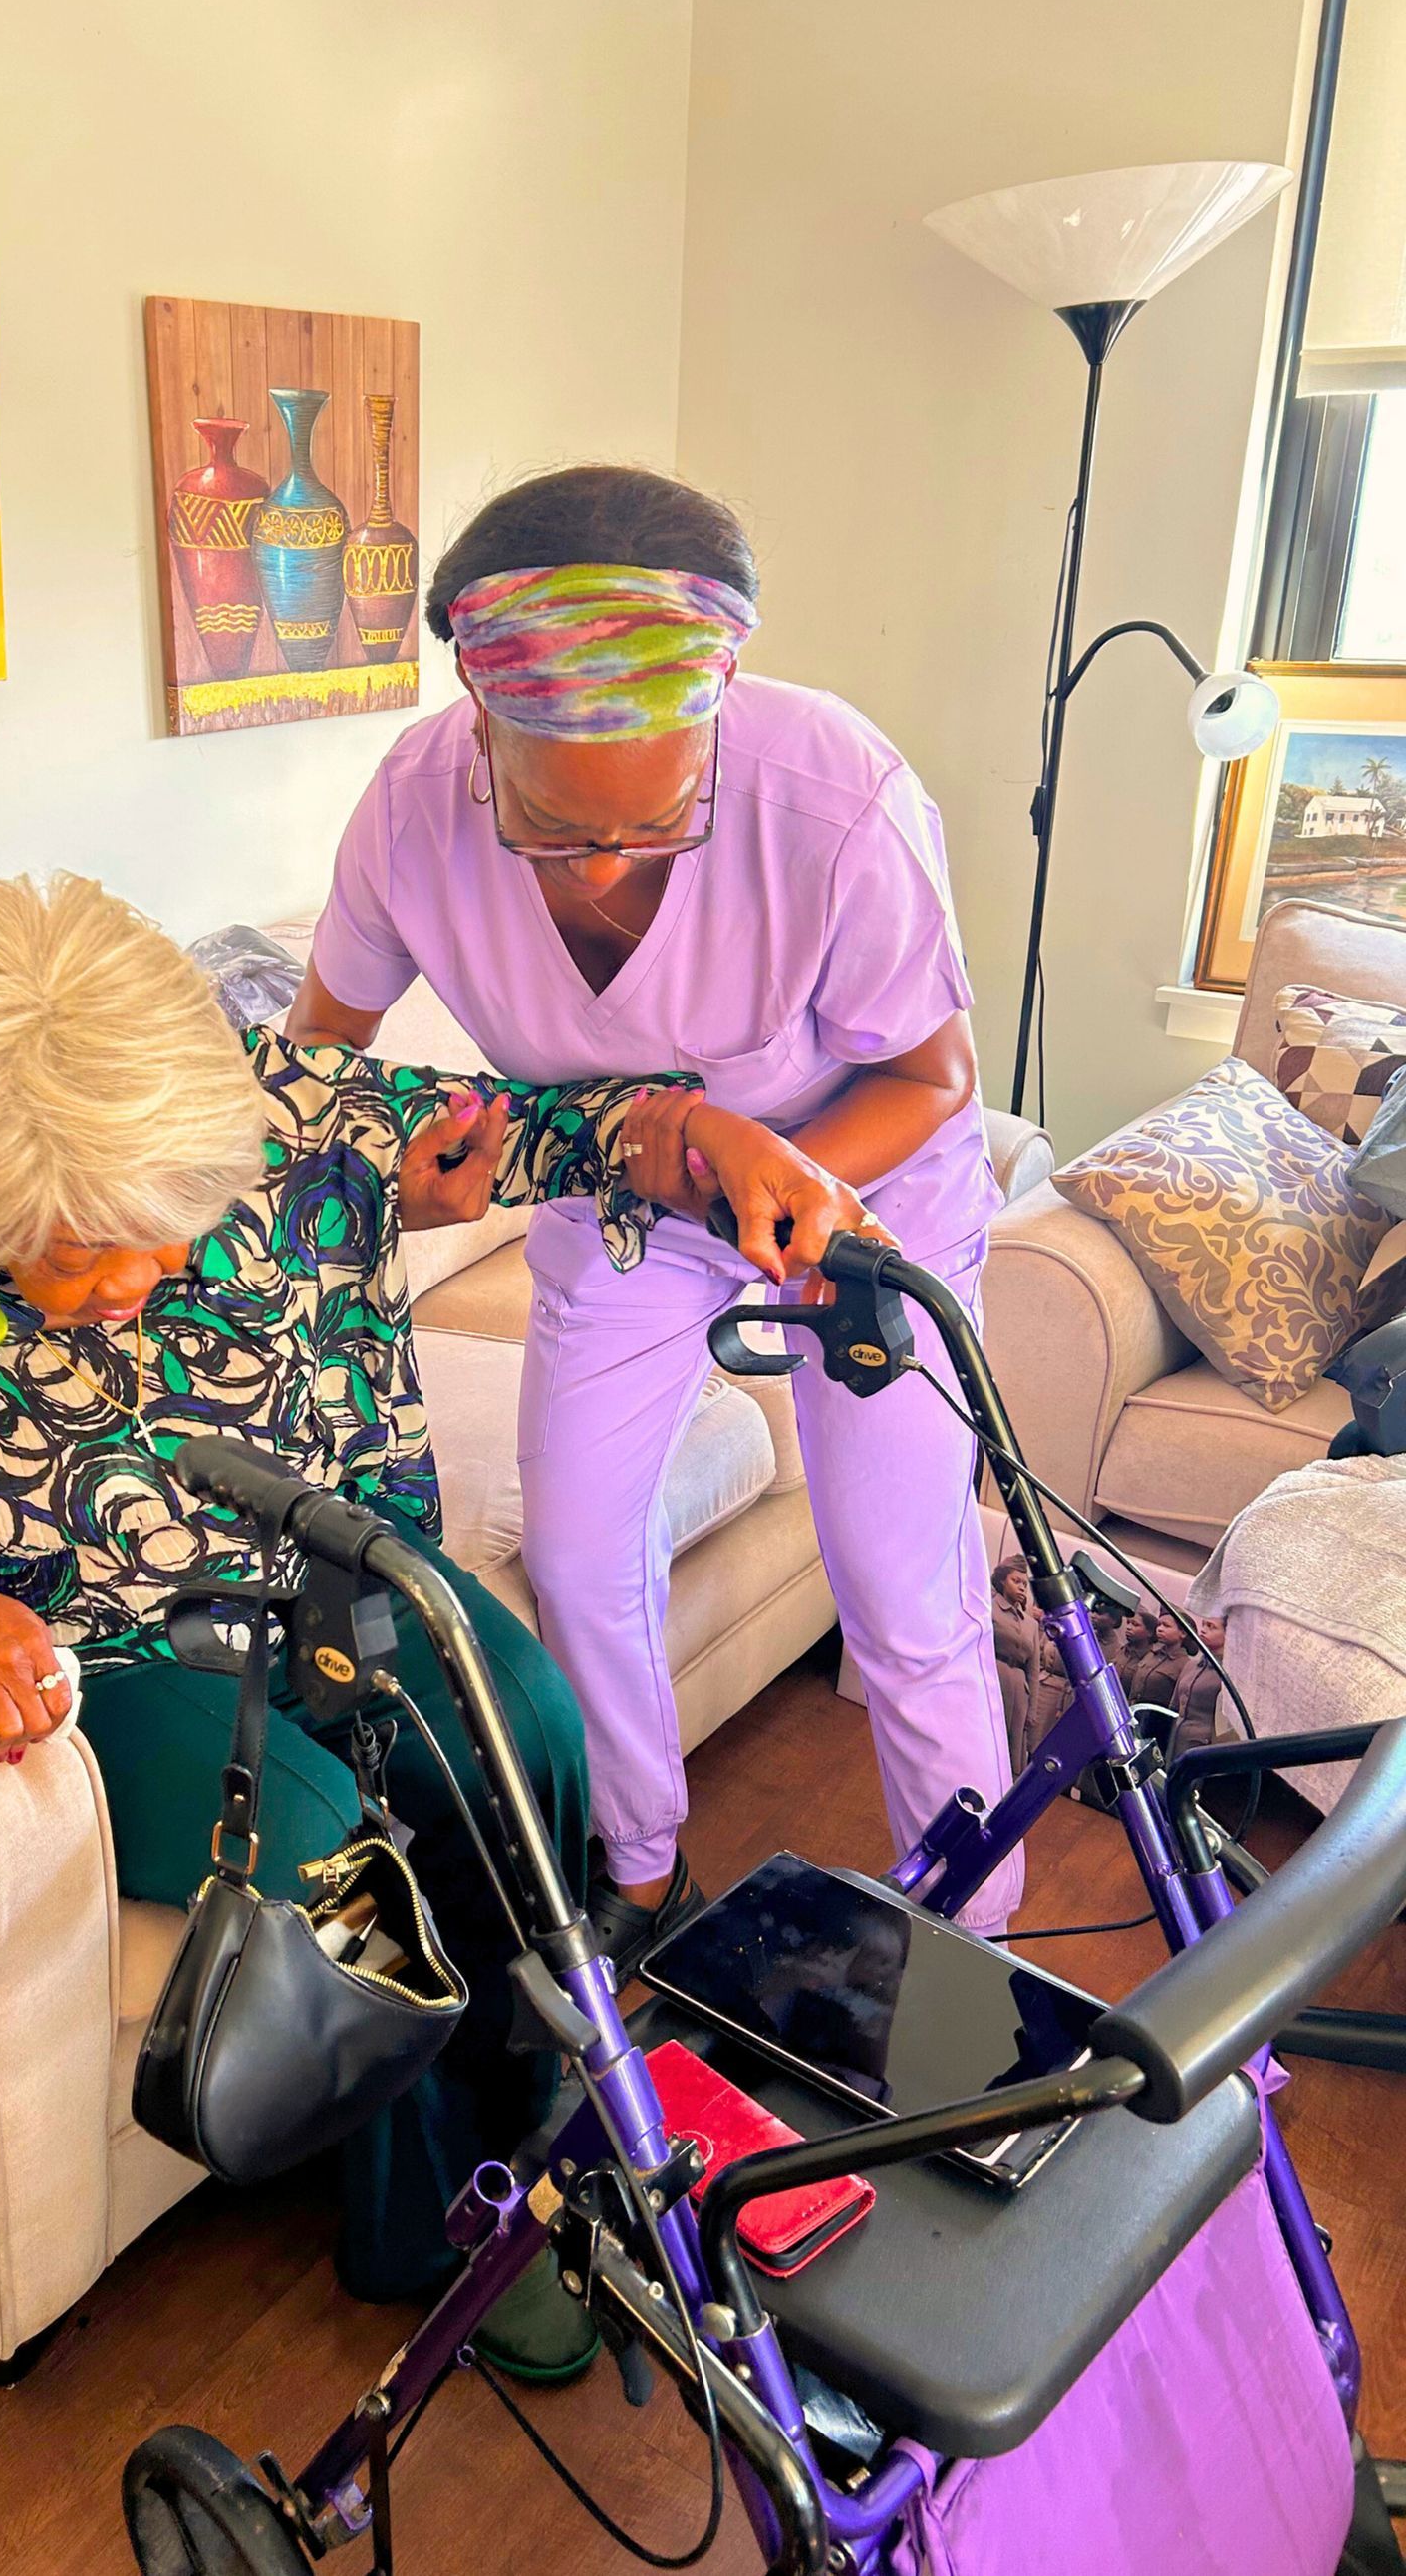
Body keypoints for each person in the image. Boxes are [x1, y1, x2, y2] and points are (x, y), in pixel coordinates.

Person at [0, 872, 855, 2371]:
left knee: (524, 1718)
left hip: (337, 1559)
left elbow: (567, 1127)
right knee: (328, 1842)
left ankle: (527, 2095)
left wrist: (700, 1134)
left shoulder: (293, 1111)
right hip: (120, 1644)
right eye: (68, 1249)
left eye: (157, 1228)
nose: (125, 1281)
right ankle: (434, 2230)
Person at [290, 464, 1022, 1972]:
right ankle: (633, 1868)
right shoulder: (410, 815)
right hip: (619, 1216)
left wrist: (803, 1183)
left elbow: (935, 1070)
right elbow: (317, 1065)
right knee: (574, 1548)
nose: (609, 866)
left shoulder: (837, 793)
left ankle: (970, 1943)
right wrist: (393, 1176)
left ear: (725, 704)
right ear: (476, 728)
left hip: (861, 1197)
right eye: (554, 826)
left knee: (902, 1584)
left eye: (660, 820)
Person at [989, 1555, 1068, 1771]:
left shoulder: (1031, 1625)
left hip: (1018, 1692)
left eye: (1025, 1584)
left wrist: (1031, 1709)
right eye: (1016, 1582)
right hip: (992, 1679)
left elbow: (1033, 1670)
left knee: (1011, 1750)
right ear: (1002, 1581)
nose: (1022, 1588)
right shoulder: (989, 1610)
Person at [1172, 1618, 1229, 1751]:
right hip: (1177, 1740)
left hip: (1205, 1747)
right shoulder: (1191, 1665)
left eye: (1210, 1627)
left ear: (1227, 1634)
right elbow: (1174, 1705)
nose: (1203, 1630)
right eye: (1203, 1625)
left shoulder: (1229, 1674)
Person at [1129, 1611, 1191, 1714]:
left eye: (1166, 1626)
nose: (1160, 1629)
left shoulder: (1184, 1665)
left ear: (1182, 1633)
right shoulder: (1151, 1655)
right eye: (1159, 1625)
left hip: (1156, 1721)